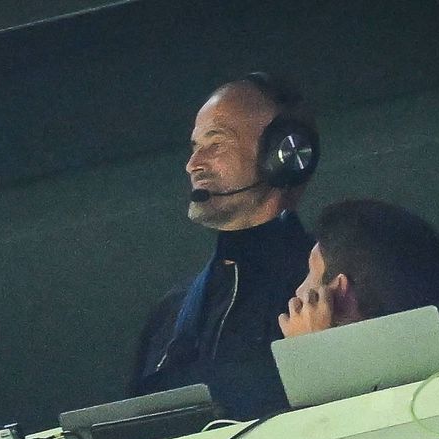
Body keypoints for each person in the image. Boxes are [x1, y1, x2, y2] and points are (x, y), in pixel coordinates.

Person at [130, 73, 319, 420]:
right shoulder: (169, 315)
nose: (193, 164)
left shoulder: (323, 285)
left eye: (215, 144)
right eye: (194, 148)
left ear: (283, 156)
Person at [278, 199, 439, 338]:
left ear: (340, 292)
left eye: (311, 272)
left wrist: (307, 348)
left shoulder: (319, 364)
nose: (299, 290)